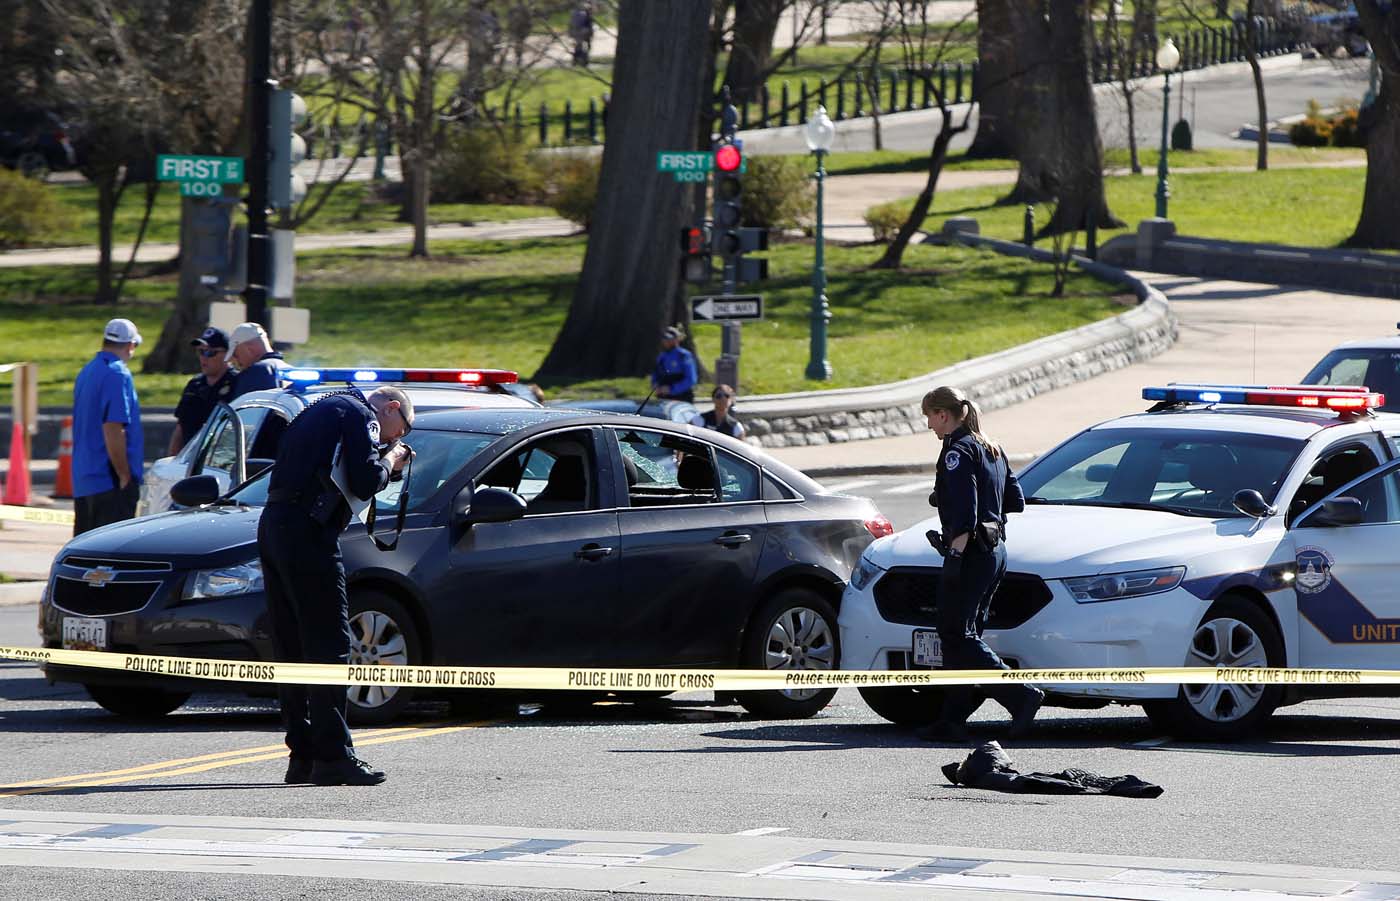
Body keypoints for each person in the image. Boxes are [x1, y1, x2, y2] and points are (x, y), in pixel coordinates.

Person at [259, 385, 414, 786]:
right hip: (309, 532)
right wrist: (391, 460)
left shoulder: (324, 408)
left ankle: (303, 755)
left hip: (276, 524)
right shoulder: (362, 415)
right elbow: (364, 480)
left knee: (292, 644)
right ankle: (333, 757)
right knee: (329, 644)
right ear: (391, 408)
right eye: (401, 430)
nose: (396, 437)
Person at [917, 385, 1042, 742]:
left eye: (929, 417)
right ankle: (952, 720)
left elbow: (964, 514)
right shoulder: (992, 447)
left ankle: (1020, 695)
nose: (928, 425)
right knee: (963, 637)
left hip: (970, 551)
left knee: (955, 633)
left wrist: (955, 554)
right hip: (995, 549)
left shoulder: (958, 451)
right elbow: (1015, 501)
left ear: (944, 414)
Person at [71, 319, 144, 536]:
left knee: (86, 553)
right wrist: (124, 473)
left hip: (85, 477)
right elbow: (113, 427)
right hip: (108, 479)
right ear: (130, 345)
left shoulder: (88, 371)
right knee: (112, 554)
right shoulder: (117, 374)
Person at [168, 327, 235, 455]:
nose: (204, 358)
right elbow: (180, 429)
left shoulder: (237, 383)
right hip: (189, 460)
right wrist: (171, 461)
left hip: (220, 461)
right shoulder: (195, 385)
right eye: (201, 352)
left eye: (210, 353)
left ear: (227, 355)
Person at [226, 322, 289, 398]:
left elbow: (239, 408)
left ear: (250, 349)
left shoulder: (253, 373)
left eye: (236, 355)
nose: (237, 362)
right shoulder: (289, 370)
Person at [652, 325, 697, 403]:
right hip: (663, 397)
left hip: (682, 397)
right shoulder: (661, 357)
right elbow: (655, 374)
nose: (666, 341)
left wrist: (671, 389)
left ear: (676, 339)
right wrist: (656, 386)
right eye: (665, 338)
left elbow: (691, 379)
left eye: (669, 338)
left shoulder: (684, 355)